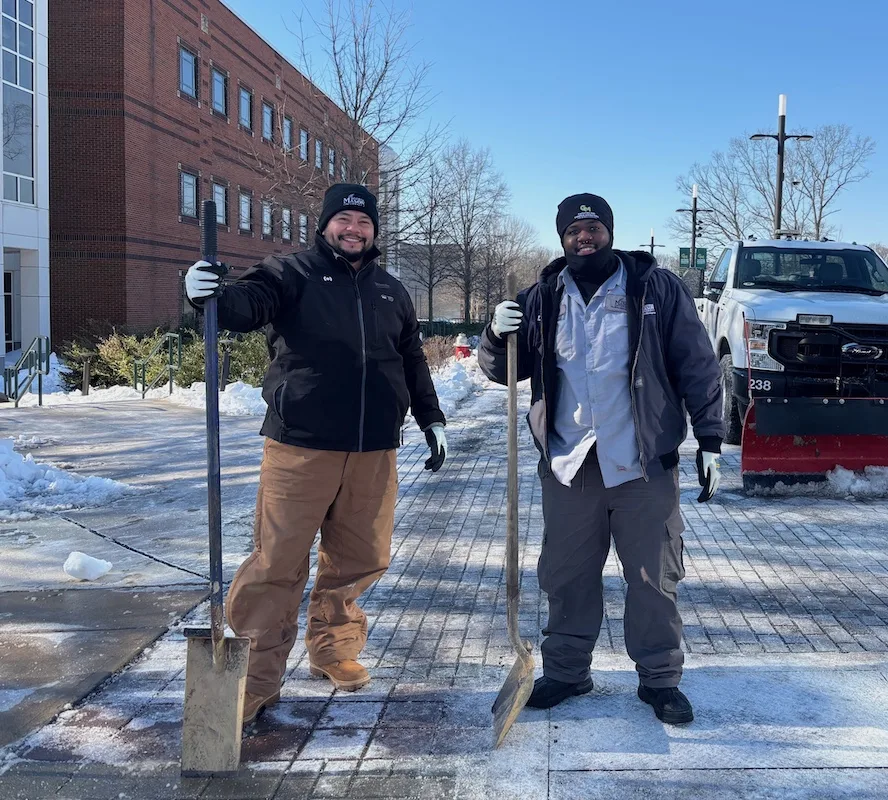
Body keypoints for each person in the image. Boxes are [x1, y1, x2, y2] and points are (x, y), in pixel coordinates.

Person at [184, 183, 449, 724]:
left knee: (357, 561)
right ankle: (255, 679)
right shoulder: (291, 273)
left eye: (363, 222)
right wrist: (207, 294)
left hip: (373, 448)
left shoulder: (390, 291)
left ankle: (333, 650)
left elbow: (411, 361)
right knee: (276, 563)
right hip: (300, 448)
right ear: (326, 224)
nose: (353, 229)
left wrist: (432, 418)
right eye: (344, 220)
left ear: (374, 230)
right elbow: (245, 305)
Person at [478, 193, 723, 725]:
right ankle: (567, 671)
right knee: (566, 575)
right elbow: (503, 371)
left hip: (641, 462)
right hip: (569, 463)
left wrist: (709, 438)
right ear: (562, 236)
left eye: (593, 227)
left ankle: (660, 679)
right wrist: (496, 335)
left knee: (653, 575)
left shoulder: (654, 288)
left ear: (609, 231)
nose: (584, 236)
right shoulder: (541, 296)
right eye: (574, 230)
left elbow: (698, 363)